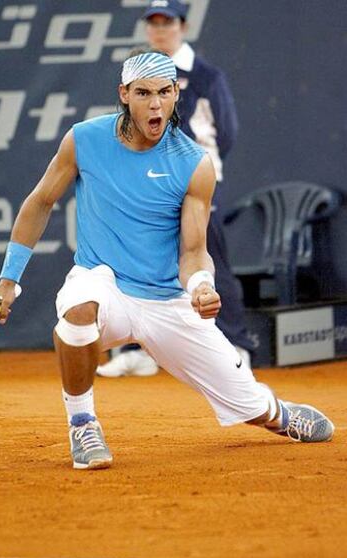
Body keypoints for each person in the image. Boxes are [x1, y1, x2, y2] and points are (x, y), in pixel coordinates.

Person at [0, 49, 334, 471]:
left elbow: (192, 250)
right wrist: (9, 280)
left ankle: (275, 411)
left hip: (168, 300)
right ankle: (82, 422)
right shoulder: (84, 139)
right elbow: (40, 202)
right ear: (124, 94)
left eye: (165, 92)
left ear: (175, 95)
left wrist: (200, 284)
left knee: (252, 408)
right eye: (144, 93)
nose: (155, 104)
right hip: (104, 280)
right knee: (77, 316)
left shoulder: (193, 164)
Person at [97, 0, 253, 378]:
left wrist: (199, 168)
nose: (159, 30)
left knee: (208, 256)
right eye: (152, 23)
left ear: (182, 26)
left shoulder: (205, 76)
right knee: (142, 262)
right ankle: (140, 349)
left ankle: (236, 345)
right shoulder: (139, 75)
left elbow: (226, 132)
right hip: (150, 186)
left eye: (166, 22)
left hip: (194, 182)